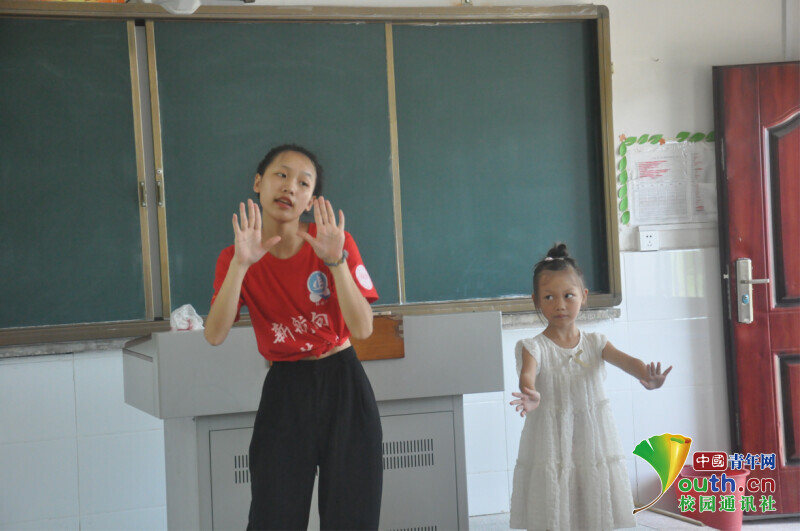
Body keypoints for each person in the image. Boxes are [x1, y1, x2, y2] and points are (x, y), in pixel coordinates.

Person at [204, 144, 383, 530]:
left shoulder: (333, 242)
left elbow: (364, 329)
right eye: (281, 175)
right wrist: (240, 265)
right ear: (258, 182)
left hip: (343, 382)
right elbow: (214, 334)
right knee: (274, 516)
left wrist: (336, 262)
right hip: (285, 389)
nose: (290, 187)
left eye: (303, 183)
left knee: (352, 516)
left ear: (311, 201)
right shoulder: (235, 256)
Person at [509, 243, 672, 531]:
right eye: (549, 297)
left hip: (592, 436)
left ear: (583, 296)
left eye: (568, 295)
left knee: (592, 496)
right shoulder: (533, 346)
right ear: (536, 301)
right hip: (551, 439)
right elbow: (527, 375)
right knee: (556, 497)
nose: (560, 304)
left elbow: (627, 361)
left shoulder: (596, 342)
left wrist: (647, 374)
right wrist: (530, 392)